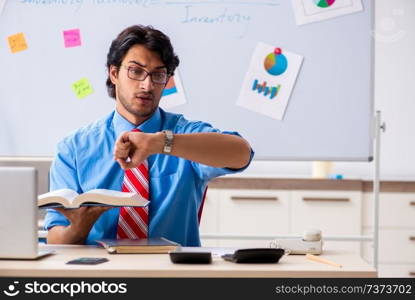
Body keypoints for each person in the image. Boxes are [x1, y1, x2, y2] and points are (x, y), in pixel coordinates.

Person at [44, 25, 254, 246]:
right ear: (114, 73)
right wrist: (80, 226)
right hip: (103, 275)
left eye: (158, 75)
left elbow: (242, 153)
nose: (147, 84)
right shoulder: (74, 149)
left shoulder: (184, 135)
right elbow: (55, 239)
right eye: (135, 71)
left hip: (172, 274)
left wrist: (159, 143)